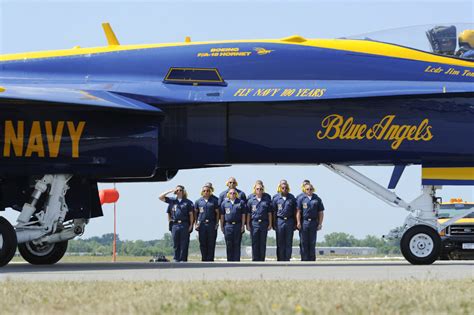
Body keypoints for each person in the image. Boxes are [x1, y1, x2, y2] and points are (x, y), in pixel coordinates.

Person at [159, 185, 194, 262]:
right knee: (175, 243)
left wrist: (191, 225)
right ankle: (176, 258)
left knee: (184, 243)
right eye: (177, 190)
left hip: (184, 224)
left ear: (183, 191)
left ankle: (183, 259)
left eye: (180, 190)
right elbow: (160, 197)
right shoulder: (172, 200)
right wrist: (170, 191)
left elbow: (191, 214)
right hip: (175, 224)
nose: (178, 192)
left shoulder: (188, 202)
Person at [296, 183, 325, 261]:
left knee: (312, 242)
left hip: (313, 222)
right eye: (307, 189)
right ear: (304, 190)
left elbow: (321, 212)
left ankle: (312, 260)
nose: (309, 191)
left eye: (311, 189)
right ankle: (304, 259)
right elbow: (298, 211)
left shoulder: (317, 199)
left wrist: (320, 224)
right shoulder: (301, 198)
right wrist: (298, 222)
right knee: (303, 242)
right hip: (304, 222)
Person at [246, 183, 272, 261]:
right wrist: (247, 224)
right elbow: (248, 214)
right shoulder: (251, 201)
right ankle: (255, 259)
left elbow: (269, 214)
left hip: (264, 223)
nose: (259, 190)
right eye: (257, 189)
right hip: (254, 223)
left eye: (261, 189)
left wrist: (270, 224)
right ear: (255, 190)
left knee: (262, 242)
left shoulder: (266, 201)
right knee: (254, 242)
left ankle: (262, 259)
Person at [272, 180, 297, 261]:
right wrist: (273, 223)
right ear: (280, 188)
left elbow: (295, 211)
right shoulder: (276, 198)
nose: (284, 189)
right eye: (282, 188)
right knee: (280, 242)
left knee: (288, 242)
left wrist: (295, 223)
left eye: (286, 188)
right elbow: (274, 212)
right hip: (280, 220)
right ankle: (280, 259)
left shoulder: (292, 197)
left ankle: (287, 258)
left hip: (289, 221)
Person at [194, 183, 219, 261]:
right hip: (202, 224)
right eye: (204, 191)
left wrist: (217, 223)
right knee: (202, 242)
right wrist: (196, 223)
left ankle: (210, 259)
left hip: (211, 224)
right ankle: (204, 259)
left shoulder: (214, 201)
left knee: (211, 243)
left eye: (208, 191)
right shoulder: (198, 201)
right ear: (202, 192)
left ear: (210, 191)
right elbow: (195, 213)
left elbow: (217, 213)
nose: (206, 192)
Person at [220, 188, 246, 261]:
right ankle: (229, 260)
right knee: (229, 244)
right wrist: (222, 226)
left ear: (236, 194)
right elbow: (222, 215)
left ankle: (237, 260)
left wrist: (243, 225)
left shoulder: (241, 202)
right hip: (228, 226)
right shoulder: (224, 203)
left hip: (238, 225)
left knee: (237, 243)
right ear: (228, 194)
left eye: (234, 193)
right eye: (231, 193)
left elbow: (243, 215)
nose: (232, 194)